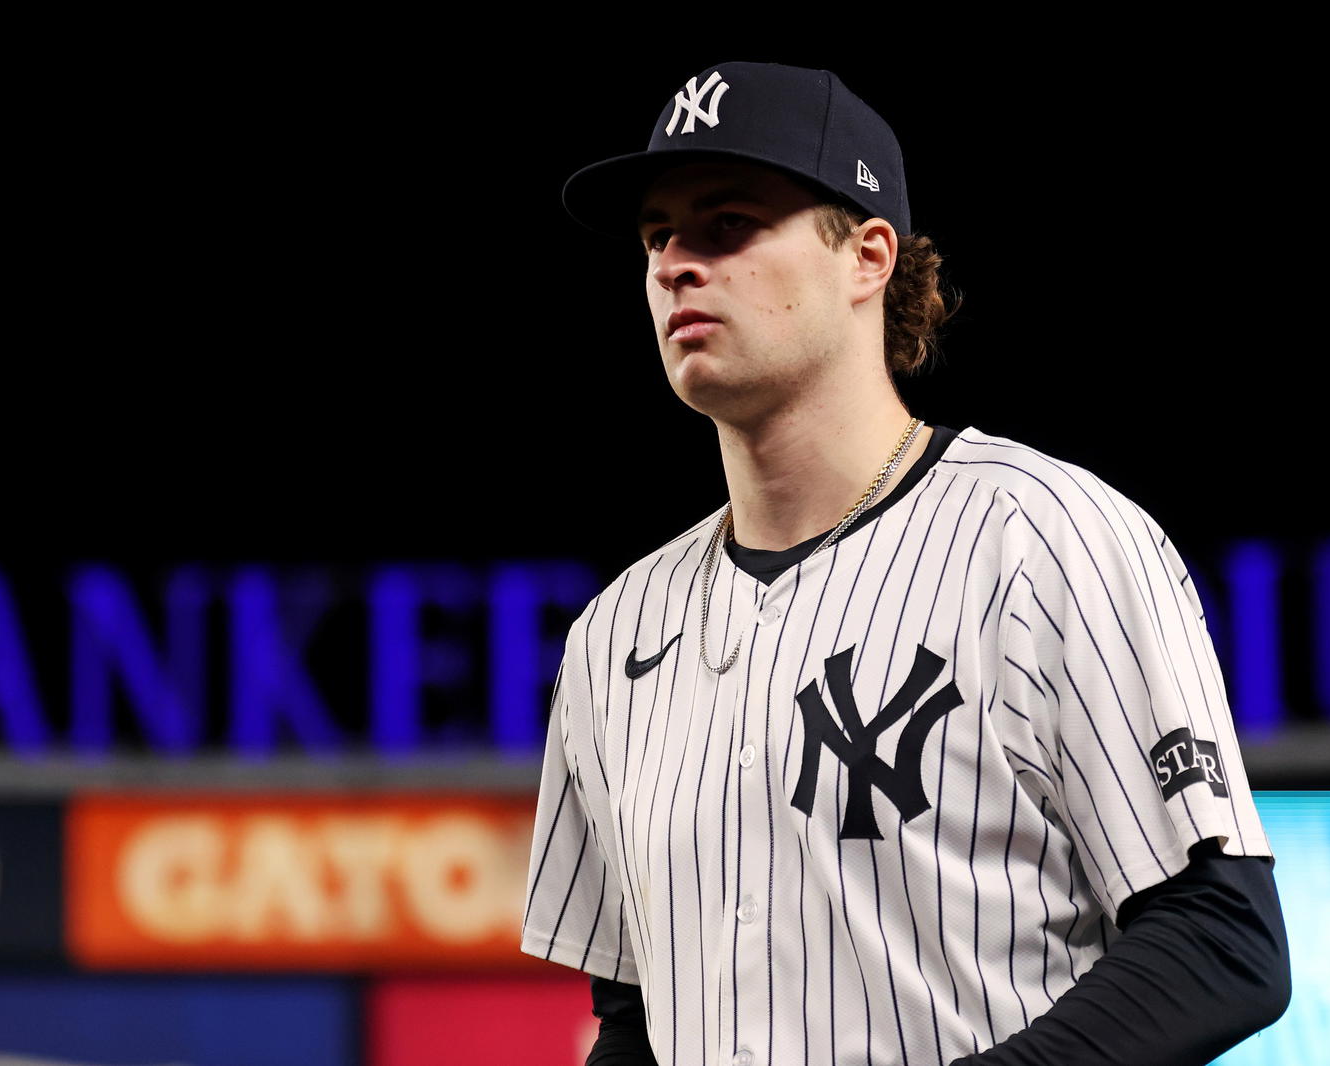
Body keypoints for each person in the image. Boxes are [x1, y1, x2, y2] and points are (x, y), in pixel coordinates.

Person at [520, 61, 1290, 1066]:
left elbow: (1221, 937)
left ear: (867, 256)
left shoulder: (1040, 537)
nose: (675, 263)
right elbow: (632, 1022)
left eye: (728, 223)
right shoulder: (615, 637)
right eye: (657, 234)